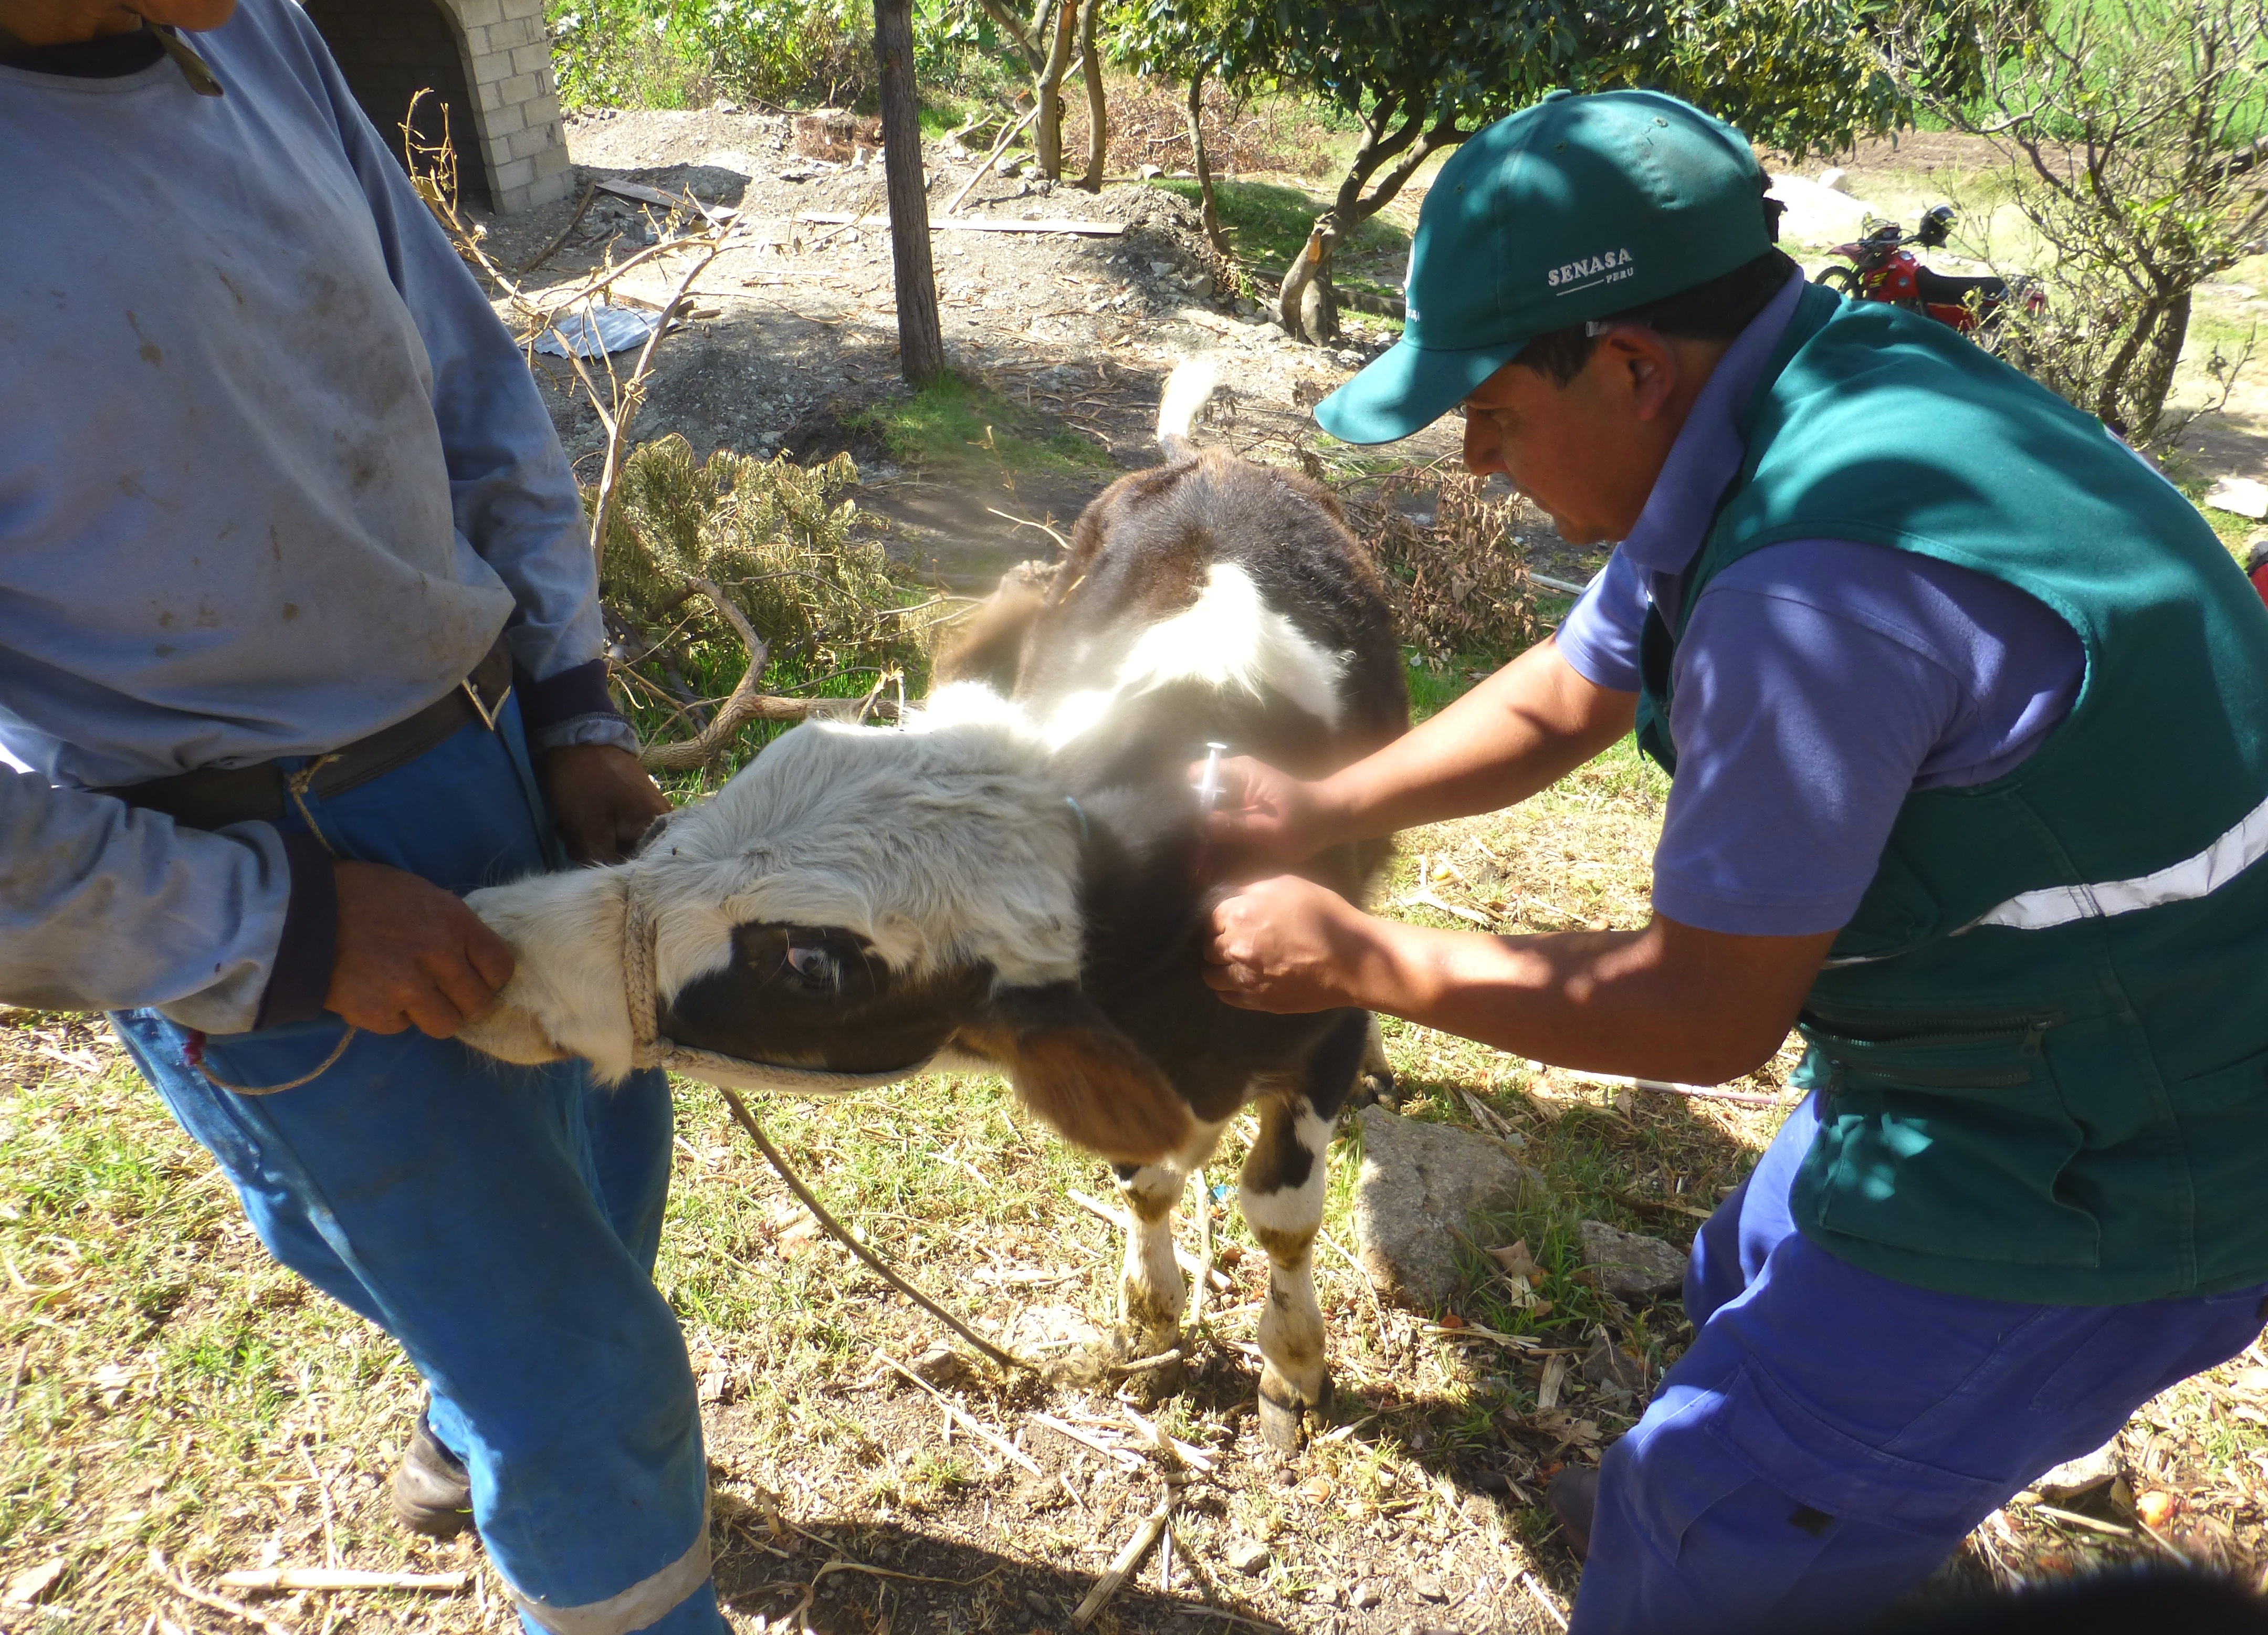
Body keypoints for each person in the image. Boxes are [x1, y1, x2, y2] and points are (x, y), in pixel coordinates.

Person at [1198, 89, 2268, 1634]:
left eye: (1491, 413)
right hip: (2026, 1036)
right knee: (1742, 1255)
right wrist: (1319, 806)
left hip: (2120, 1159)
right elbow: (1579, 683)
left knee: (1694, 1552)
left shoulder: (1810, 596)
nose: (1481, 464)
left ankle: (1712, 1532)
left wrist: (1362, 959)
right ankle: (1738, 1468)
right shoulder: (1824, 384)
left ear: (1630, 366)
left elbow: (1699, 1012)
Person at [0, 6, 730, 1632]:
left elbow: (467, 382)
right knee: (594, 1374)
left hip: (497, 763)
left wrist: (570, 701)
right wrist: (290, 929)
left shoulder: (247, 36)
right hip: (262, 867)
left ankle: (473, 1413)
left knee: (608, 1160)